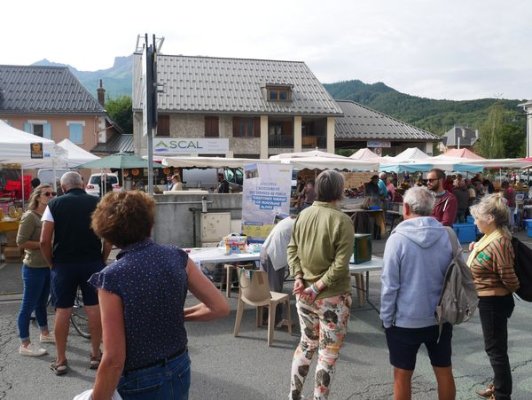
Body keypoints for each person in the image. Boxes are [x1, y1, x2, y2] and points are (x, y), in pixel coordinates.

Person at [88, 191, 229, 400]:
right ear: (149, 223)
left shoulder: (111, 278)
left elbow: (114, 359)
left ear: (107, 233)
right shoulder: (177, 256)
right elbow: (220, 307)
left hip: (139, 378)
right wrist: (178, 315)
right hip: (179, 364)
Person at [380, 186, 457, 400]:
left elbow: (389, 285)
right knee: (444, 370)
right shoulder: (448, 235)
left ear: (405, 208)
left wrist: (386, 318)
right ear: (432, 209)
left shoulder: (397, 239)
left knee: (402, 375)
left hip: (405, 319)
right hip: (441, 317)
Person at [288, 170, 354, 400]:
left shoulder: (303, 215)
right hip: (332, 296)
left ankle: (294, 395)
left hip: (303, 293)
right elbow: (340, 264)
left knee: (306, 345)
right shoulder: (342, 220)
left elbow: (292, 249)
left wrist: (298, 276)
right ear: (339, 191)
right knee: (327, 354)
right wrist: (317, 287)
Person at [40, 171, 112, 376]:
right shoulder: (97, 202)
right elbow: (108, 238)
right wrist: (103, 258)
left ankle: (61, 359)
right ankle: (95, 355)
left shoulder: (54, 205)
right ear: (82, 184)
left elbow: (44, 240)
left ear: (63, 187)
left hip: (63, 264)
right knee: (94, 308)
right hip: (92, 262)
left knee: (62, 311)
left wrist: (51, 263)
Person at [467, 193, 520, 400]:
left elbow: (508, 276)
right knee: (495, 348)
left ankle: (501, 394)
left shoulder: (498, 241)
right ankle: (499, 386)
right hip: (490, 301)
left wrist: (509, 289)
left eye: (477, 217)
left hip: (494, 302)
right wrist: (476, 249)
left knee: (496, 350)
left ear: (490, 218)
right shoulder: (491, 237)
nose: (475, 221)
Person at [16, 184, 56, 357]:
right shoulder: (30, 217)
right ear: (38, 197)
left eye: (53, 193)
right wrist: (43, 244)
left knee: (41, 303)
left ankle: (45, 333)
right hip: (33, 267)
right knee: (28, 306)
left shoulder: (50, 214)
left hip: (46, 265)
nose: (51, 196)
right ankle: (25, 343)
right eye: (47, 193)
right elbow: (21, 242)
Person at [259, 214, 296, 325]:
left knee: (265, 288)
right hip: (275, 256)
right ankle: (276, 321)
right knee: (275, 291)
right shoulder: (300, 223)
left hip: (265, 251)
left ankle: (264, 318)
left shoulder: (288, 220)